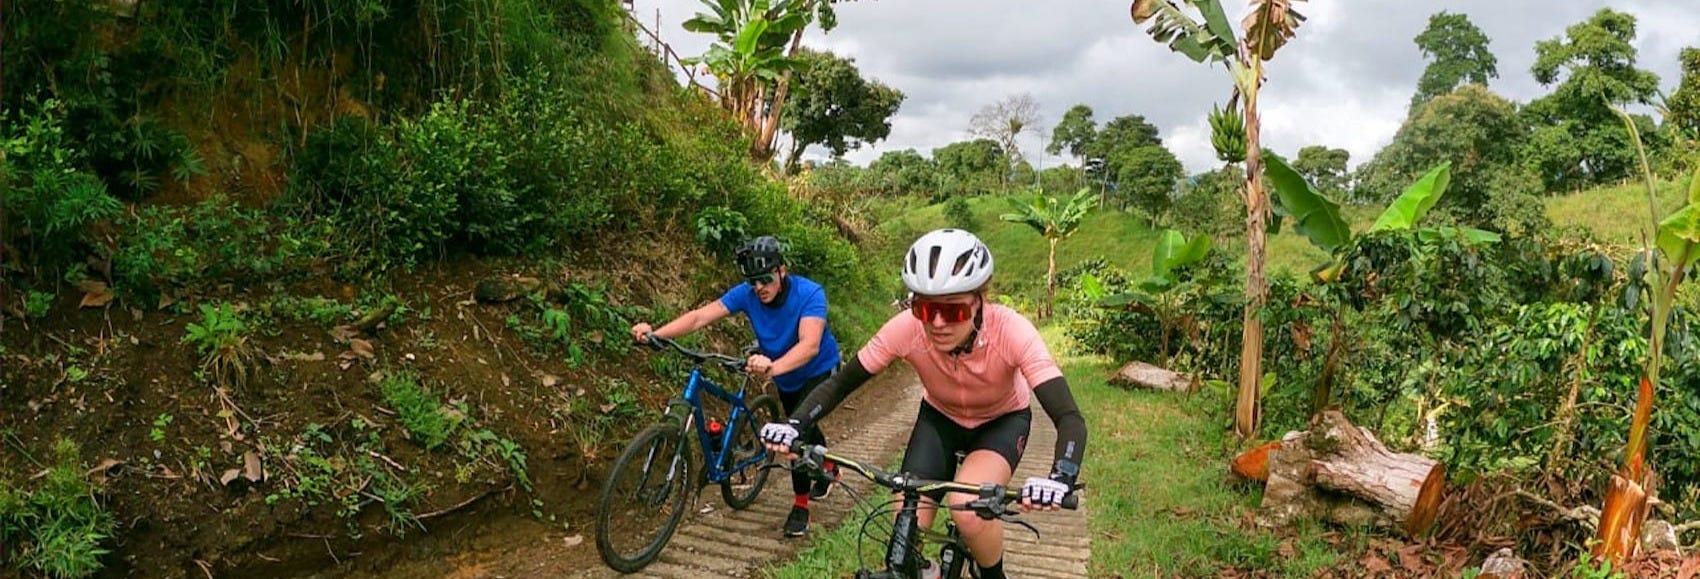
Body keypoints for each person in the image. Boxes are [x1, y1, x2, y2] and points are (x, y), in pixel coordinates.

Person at [759, 228, 1087, 579]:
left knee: (967, 509)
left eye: (954, 311)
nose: (937, 323)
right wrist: (793, 425)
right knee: (905, 520)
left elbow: (1068, 416)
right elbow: (841, 383)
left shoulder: (1012, 331)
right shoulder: (907, 328)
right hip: (940, 419)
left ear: (979, 301)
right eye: (925, 308)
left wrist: (1061, 476)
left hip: (1000, 422)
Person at [629, 235, 843, 537]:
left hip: (820, 371)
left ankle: (801, 506)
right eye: (753, 281)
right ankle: (829, 466)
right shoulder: (748, 294)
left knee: (798, 428)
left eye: (765, 279)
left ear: (782, 270)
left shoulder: (810, 294)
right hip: (784, 374)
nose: (759, 288)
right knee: (802, 420)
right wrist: (657, 335)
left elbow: (809, 346)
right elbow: (700, 316)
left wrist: (773, 366)